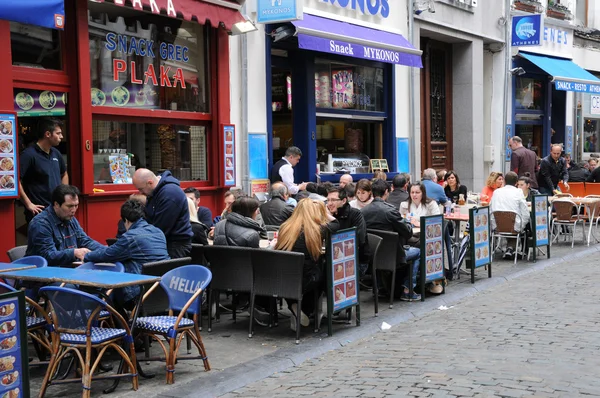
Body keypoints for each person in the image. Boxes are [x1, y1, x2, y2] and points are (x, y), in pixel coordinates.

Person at [84, 199, 169, 310]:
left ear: (126, 220)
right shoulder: (158, 232)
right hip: (162, 292)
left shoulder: (130, 237)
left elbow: (107, 255)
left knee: (107, 291)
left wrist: (86, 255)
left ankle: (115, 325)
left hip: (138, 296)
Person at [275, 199, 339, 329]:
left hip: (282, 276)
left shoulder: (285, 227)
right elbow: (336, 224)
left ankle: (293, 303)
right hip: (306, 278)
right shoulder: (317, 230)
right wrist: (326, 212)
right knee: (320, 277)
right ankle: (306, 310)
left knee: (308, 273)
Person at [361, 179, 420, 301]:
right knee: (418, 252)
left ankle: (381, 288)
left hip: (372, 256)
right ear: (386, 192)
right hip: (394, 255)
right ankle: (408, 289)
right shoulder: (390, 211)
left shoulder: (363, 212)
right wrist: (408, 223)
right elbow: (407, 233)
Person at [26, 185, 104, 266]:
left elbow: (85, 241)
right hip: (44, 273)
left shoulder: (70, 218)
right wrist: (74, 253)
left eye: (76, 205)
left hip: (68, 270)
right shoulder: (41, 224)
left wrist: (107, 252)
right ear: (56, 204)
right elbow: (48, 256)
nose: (74, 210)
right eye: (69, 206)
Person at [132, 168, 192, 258]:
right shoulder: (155, 193)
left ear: (150, 183)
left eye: (141, 189)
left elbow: (161, 227)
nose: (140, 192)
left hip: (175, 246)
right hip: (164, 242)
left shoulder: (170, 194)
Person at [19, 117, 68, 223]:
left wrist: (63, 195)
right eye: (58, 133)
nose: (61, 137)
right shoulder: (28, 154)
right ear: (48, 134)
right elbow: (15, 181)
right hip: (39, 213)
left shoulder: (56, 153)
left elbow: (64, 174)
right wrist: (28, 204)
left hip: (57, 210)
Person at [399, 182, 442, 295]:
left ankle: (409, 286)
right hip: (409, 236)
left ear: (423, 193)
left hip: (428, 237)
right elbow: (400, 222)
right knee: (416, 250)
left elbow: (437, 223)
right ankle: (410, 286)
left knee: (419, 248)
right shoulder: (405, 205)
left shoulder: (431, 204)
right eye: (412, 192)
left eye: (417, 192)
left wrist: (419, 224)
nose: (414, 195)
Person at [326, 187, 370, 276]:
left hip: (356, 260)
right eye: (328, 200)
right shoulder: (329, 214)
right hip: (332, 258)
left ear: (343, 201)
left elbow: (359, 240)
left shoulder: (355, 214)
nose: (329, 203)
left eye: (333, 200)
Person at [490, 172, 530, 260]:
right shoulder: (518, 192)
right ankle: (515, 248)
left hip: (498, 226)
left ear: (504, 181)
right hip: (513, 226)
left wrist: (493, 224)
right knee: (518, 225)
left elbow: (490, 210)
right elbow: (526, 213)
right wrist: (521, 226)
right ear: (516, 183)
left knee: (509, 223)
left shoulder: (496, 192)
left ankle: (510, 248)